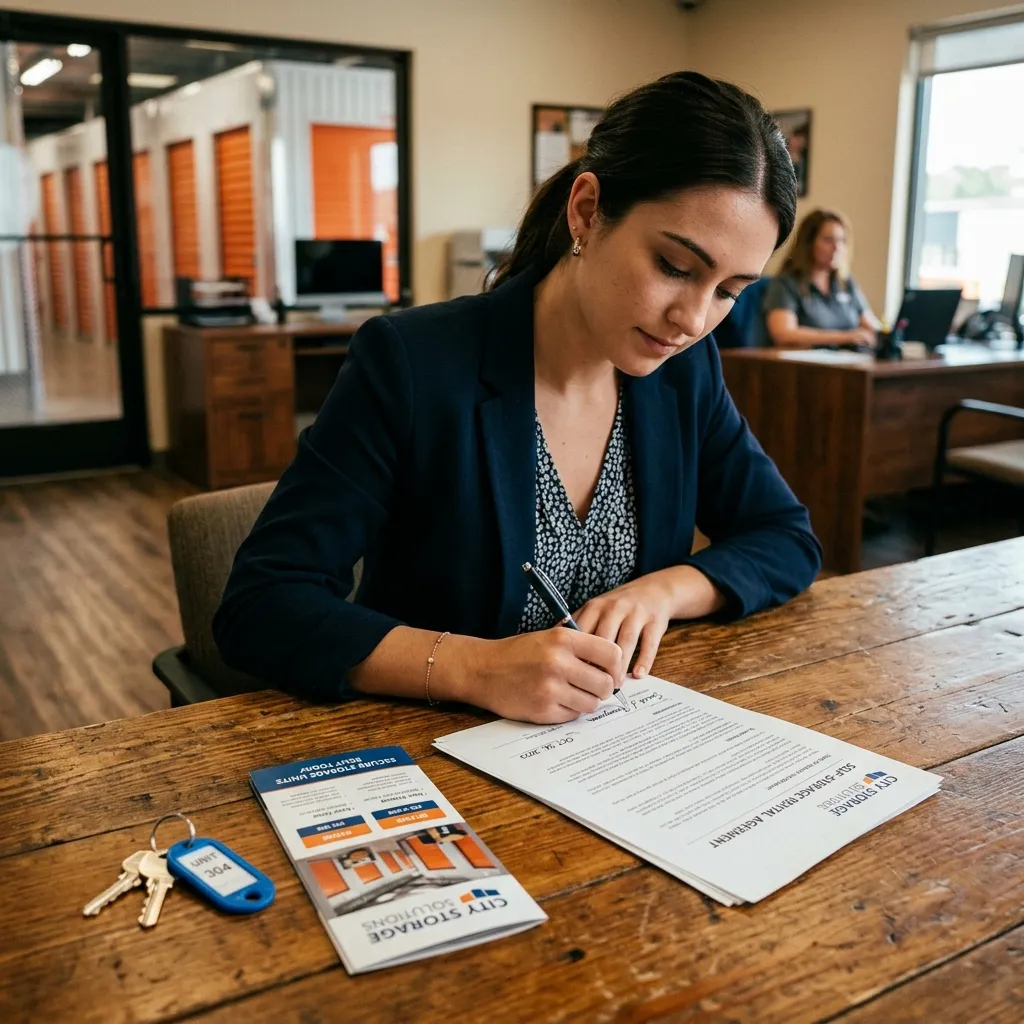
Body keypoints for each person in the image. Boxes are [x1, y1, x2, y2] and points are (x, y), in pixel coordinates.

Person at [213, 71, 823, 726]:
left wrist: (664, 592)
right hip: (436, 748)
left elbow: (785, 537)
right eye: (675, 267)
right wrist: (475, 668)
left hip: (614, 752)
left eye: (730, 290)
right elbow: (264, 603)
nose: (693, 320)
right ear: (587, 211)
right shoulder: (412, 361)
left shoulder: (685, 369)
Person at [764, 209, 881, 349]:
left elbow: (870, 326)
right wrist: (847, 337)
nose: (837, 247)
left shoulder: (845, 282)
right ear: (808, 243)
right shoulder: (786, 283)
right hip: (810, 366)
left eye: (842, 240)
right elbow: (783, 334)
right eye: (828, 240)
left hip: (850, 362)